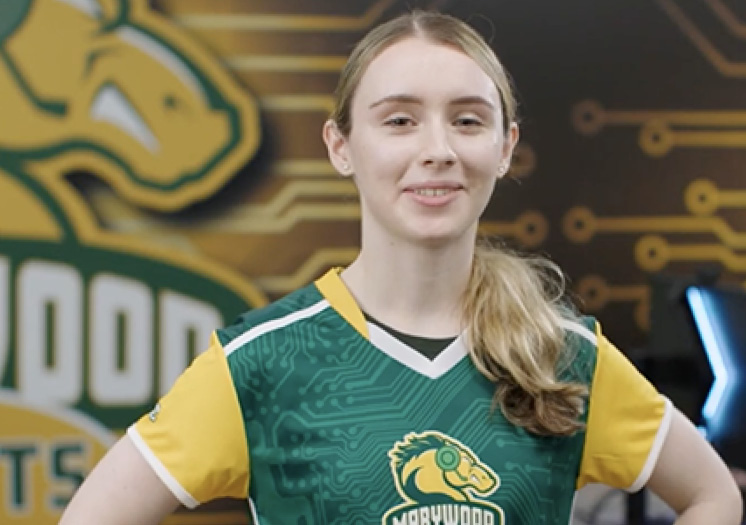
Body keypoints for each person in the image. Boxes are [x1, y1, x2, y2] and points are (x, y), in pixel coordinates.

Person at [59, 10, 743, 524]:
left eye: (468, 121)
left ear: (505, 147)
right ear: (341, 146)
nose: (438, 149)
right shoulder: (259, 364)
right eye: (399, 121)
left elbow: (713, 494)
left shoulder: (560, 353)